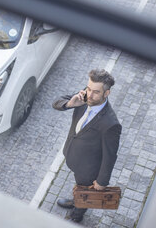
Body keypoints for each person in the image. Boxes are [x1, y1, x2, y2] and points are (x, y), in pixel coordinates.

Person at [52, 69, 121, 223]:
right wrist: (70, 103)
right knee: (80, 186)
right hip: (74, 157)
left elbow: (110, 156)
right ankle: (76, 199)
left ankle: (76, 217)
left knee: (85, 191)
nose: (89, 94)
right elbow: (56, 103)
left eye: (95, 92)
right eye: (88, 88)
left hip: (89, 169)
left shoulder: (111, 124)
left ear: (106, 93)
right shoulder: (84, 97)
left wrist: (102, 182)